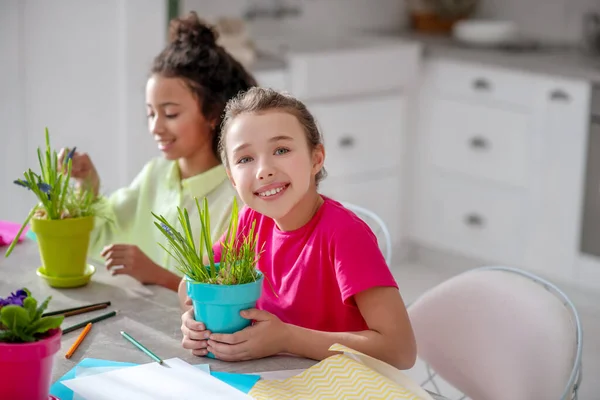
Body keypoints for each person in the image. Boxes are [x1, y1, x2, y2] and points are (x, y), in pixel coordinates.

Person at [178, 87, 417, 369]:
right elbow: (189, 287)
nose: (263, 170)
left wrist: (288, 339)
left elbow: (400, 351)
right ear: (232, 177)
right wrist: (197, 321)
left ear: (316, 159)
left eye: (281, 150)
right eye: (245, 159)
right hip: (272, 379)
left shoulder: (344, 234)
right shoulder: (250, 221)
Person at [59, 12, 256, 291]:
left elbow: (229, 299)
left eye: (170, 114)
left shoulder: (237, 198)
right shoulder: (155, 174)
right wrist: (87, 185)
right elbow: (93, 240)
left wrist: (157, 274)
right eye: (151, 114)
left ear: (213, 113)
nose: (156, 127)